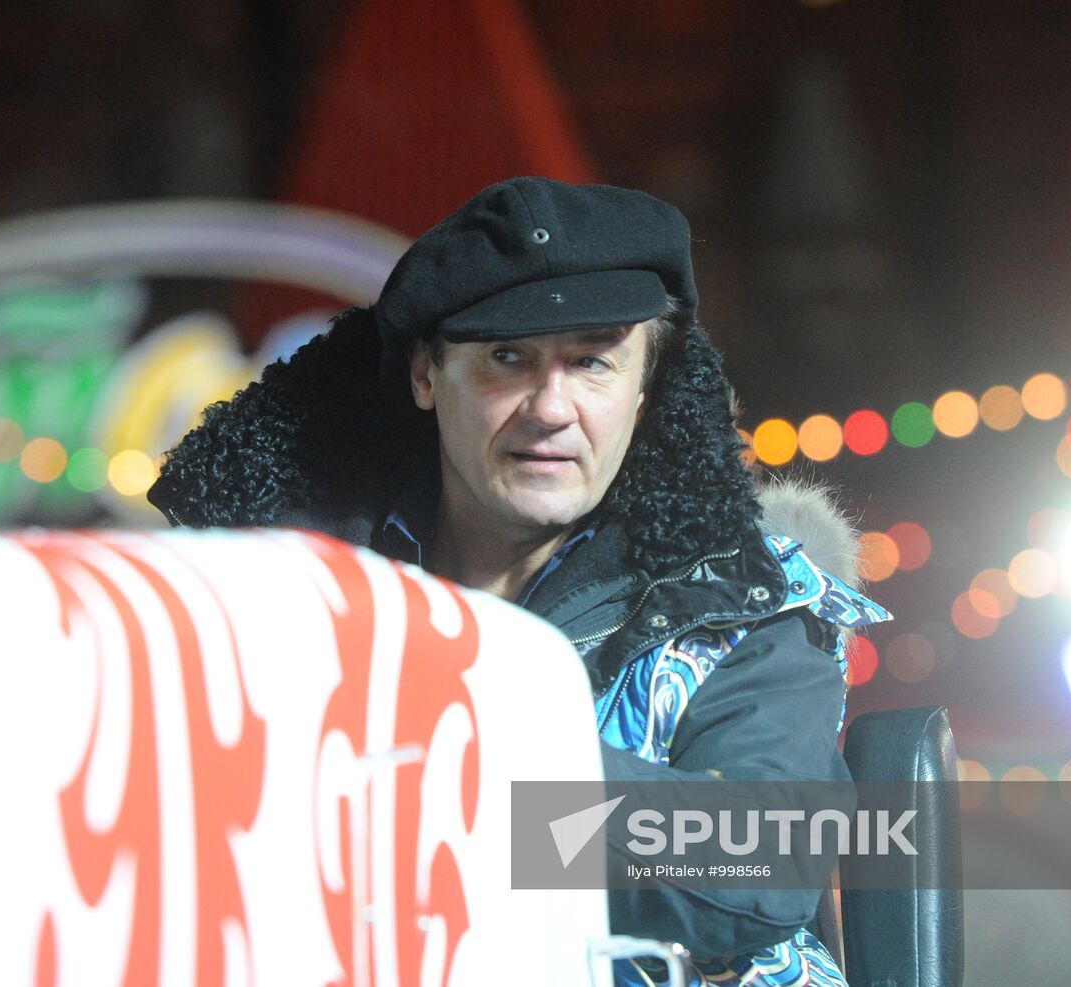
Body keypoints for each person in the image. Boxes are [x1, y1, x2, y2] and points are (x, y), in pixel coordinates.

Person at [147, 176, 890, 986]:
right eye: (509, 358)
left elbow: (765, 858)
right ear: (427, 375)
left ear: (644, 389)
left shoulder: (747, 598)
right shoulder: (294, 596)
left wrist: (469, 786)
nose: (551, 405)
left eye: (593, 362)